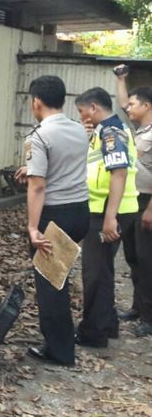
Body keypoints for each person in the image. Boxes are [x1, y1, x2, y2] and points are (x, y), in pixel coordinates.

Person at [15, 76, 89, 365]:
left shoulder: (38, 136)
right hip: (80, 212)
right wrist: (30, 168)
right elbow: (63, 164)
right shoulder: (79, 130)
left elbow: (38, 187)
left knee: (50, 285)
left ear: (37, 101)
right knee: (60, 277)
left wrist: (33, 228)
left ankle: (60, 351)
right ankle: (63, 339)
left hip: (55, 216)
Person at [74, 87, 138, 347]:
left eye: (81, 111)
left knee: (95, 273)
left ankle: (94, 333)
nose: (81, 117)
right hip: (106, 208)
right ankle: (108, 324)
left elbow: (119, 173)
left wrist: (110, 217)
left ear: (93, 108)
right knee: (103, 270)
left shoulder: (112, 131)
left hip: (109, 211)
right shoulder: (104, 131)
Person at [114, 66, 152, 337]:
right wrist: (121, 80)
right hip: (132, 202)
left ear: (147, 106)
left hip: (148, 203)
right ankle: (138, 308)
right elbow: (120, 103)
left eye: (133, 105)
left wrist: (151, 209)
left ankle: (149, 318)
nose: (128, 108)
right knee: (133, 257)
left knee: (147, 259)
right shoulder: (137, 131)